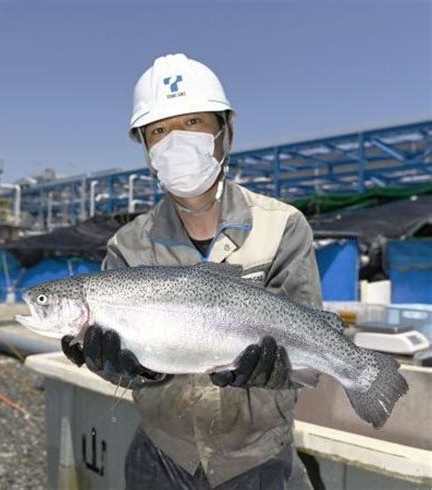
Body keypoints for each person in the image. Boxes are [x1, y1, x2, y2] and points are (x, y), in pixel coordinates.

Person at [62, 53, 322, 489]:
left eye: (193, 123)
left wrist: (278, 367)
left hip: (258, 459)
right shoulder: (128, 244)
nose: (175, 141)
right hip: (162, 456)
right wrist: (116, 366)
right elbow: (119, 361)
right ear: (146, 149)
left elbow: (308, 325)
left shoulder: (283, 225)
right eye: (159, 131)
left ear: (226, 133)